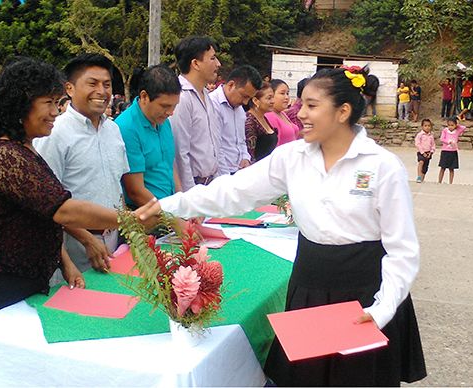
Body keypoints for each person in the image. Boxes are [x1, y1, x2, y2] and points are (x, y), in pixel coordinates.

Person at [150, 67, 426, 386]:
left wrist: (382, 309)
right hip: (310, 285)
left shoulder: (382, 166)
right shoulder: (292, 157)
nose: (300, 113)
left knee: (358, 378)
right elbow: (233, 191)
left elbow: (402, 250)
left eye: (311, 105)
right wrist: (166, 206)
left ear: (343, 111)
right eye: (300, 103)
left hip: (365, 293)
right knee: (308, 378)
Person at [0, 57, 160, 331]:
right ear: (21, 104)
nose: (55, 112)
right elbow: (63, 209)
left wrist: (64, 261)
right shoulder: (4, 155)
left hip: (22, 281)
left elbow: (45, 213)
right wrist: (129, 219)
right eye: (48, 103)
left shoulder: (24, 148)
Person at [35, 54, 129, 275]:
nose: (102, 91)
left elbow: (117, 186)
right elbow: (45, 202)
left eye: (106, 85)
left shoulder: (113, 130)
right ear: (69, 88)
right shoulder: (55, 133)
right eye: (92, 83)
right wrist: (87, 239)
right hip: (75, 247)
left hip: (114, 242)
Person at [116, 64, 182, 209]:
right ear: (144, 96)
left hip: (170, 210)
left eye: (174, 106)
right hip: (148, 215)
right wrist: (171, 218)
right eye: (165, 106)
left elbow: (169, 165)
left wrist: (183, 205)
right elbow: (136, 191)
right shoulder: (127, 128)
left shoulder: (163, 121)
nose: (170, 112)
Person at [170, 35, 222, 190]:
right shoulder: (181, 97)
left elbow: (215, 144)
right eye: (212, 58)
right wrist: (190, 198)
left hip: (210, 185)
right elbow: (180, 153)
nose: (218, 64)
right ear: (195, 63)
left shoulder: (206, 94)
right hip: (193, 187)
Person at [209, 65, 261, 175]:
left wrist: (245, 158)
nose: (246, 102)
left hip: (238, 172)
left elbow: (241, 141)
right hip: (221, 175)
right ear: (231, 85)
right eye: (244, 96)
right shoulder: (212, 104)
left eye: (249, 98)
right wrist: (227, 179)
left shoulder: (239, 109)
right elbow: (216, 148)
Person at [245, 81, 277, 162]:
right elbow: (250, 153)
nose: (273, 101)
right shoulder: (250, 121)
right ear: (256, 101)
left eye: (273, 97)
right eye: (269, 98)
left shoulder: (264, 118)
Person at [266, 79, 300, 146]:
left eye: (287, 93)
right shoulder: (270, 115)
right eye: (282, 93)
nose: (287, 97)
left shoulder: (283, 113)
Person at [438, 117, 466, 184]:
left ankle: (450, 182)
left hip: (453, 151)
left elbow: (463, 127)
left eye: (452, 125)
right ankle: (439, 181)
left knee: (451, 168)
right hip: (445, 151)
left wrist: (457, 124)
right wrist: (448, 142)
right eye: (449, 125)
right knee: (443, 167)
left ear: (455, 125)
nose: (450, 127)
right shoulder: (445, 130)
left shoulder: (457, 131)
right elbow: (442, 139)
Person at [414, 118, 435, 183]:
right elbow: (417, 143)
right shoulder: (420, 135)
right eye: (425, 126)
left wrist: (431, 152)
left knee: (425, 167)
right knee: (421, 162)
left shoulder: (431, 136)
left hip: (428, 152)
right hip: (421, 152)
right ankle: (419, 176)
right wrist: (422, 152)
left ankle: (422, 178)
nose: (427, 127)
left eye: (429, 126)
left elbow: (433, 145)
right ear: (422, 126)